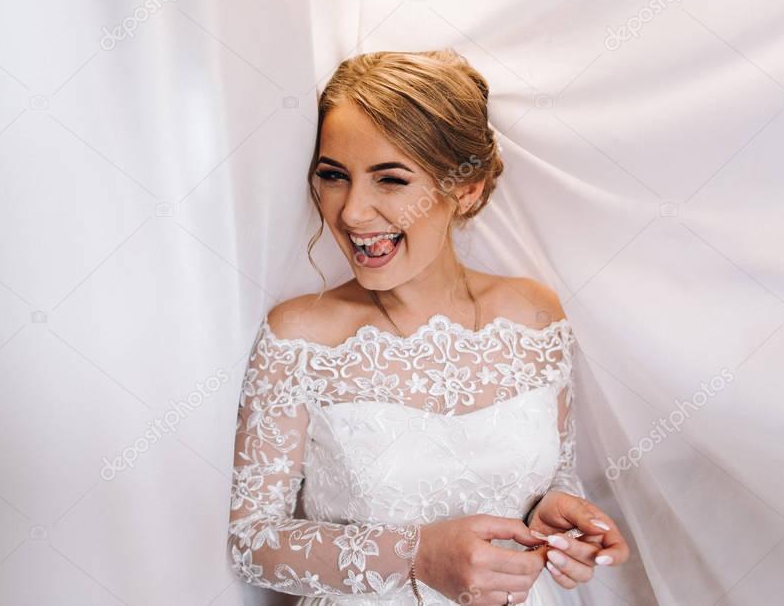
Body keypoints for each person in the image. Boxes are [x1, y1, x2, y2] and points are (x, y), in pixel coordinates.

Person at [227, 49, 630, 605]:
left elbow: (553, 475)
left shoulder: (535, 315)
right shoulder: (299, 337)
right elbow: (254, 544)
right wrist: (417, 557)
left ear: (466, 188)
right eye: (334, 176)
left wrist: (557, 516)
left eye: (390, 179)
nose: (352, 213)